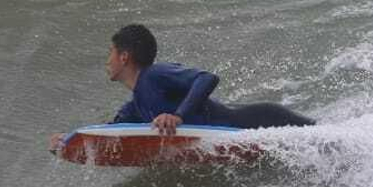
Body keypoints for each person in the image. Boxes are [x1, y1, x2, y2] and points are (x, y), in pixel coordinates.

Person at [53, 24, 314, 151]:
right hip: (247, 136)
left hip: (264, 121)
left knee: (326, 141)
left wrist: (178, 116)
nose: (106, 60)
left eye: (110, 51)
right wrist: (67, 141)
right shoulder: (136, 105)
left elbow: (207, 78)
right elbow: (111, 133)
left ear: (124, 56)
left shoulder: (154, 75)